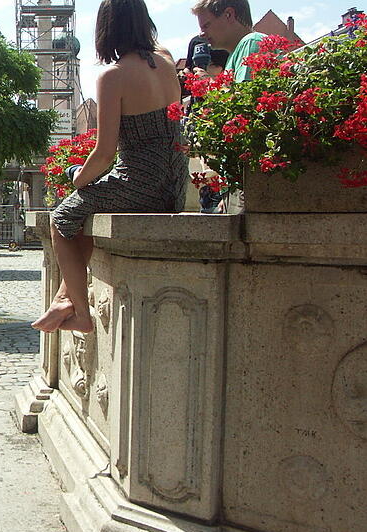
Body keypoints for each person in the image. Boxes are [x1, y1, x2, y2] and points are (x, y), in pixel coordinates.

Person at [31, 0, 187, 335]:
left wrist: (77, 179)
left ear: (105, 29)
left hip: (141, 184)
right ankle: (63, 298)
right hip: (174, 185)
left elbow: (104, 155)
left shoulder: (113, 76)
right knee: (85, 210)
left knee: (63, 218)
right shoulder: (167, 62)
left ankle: (82, 315)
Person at [192, 0, 264, 83]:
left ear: (229, 15)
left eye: (206, 25)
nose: (201, 34)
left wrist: (207, 83)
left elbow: (246, 95)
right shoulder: (236, 52)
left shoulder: (251, 42)